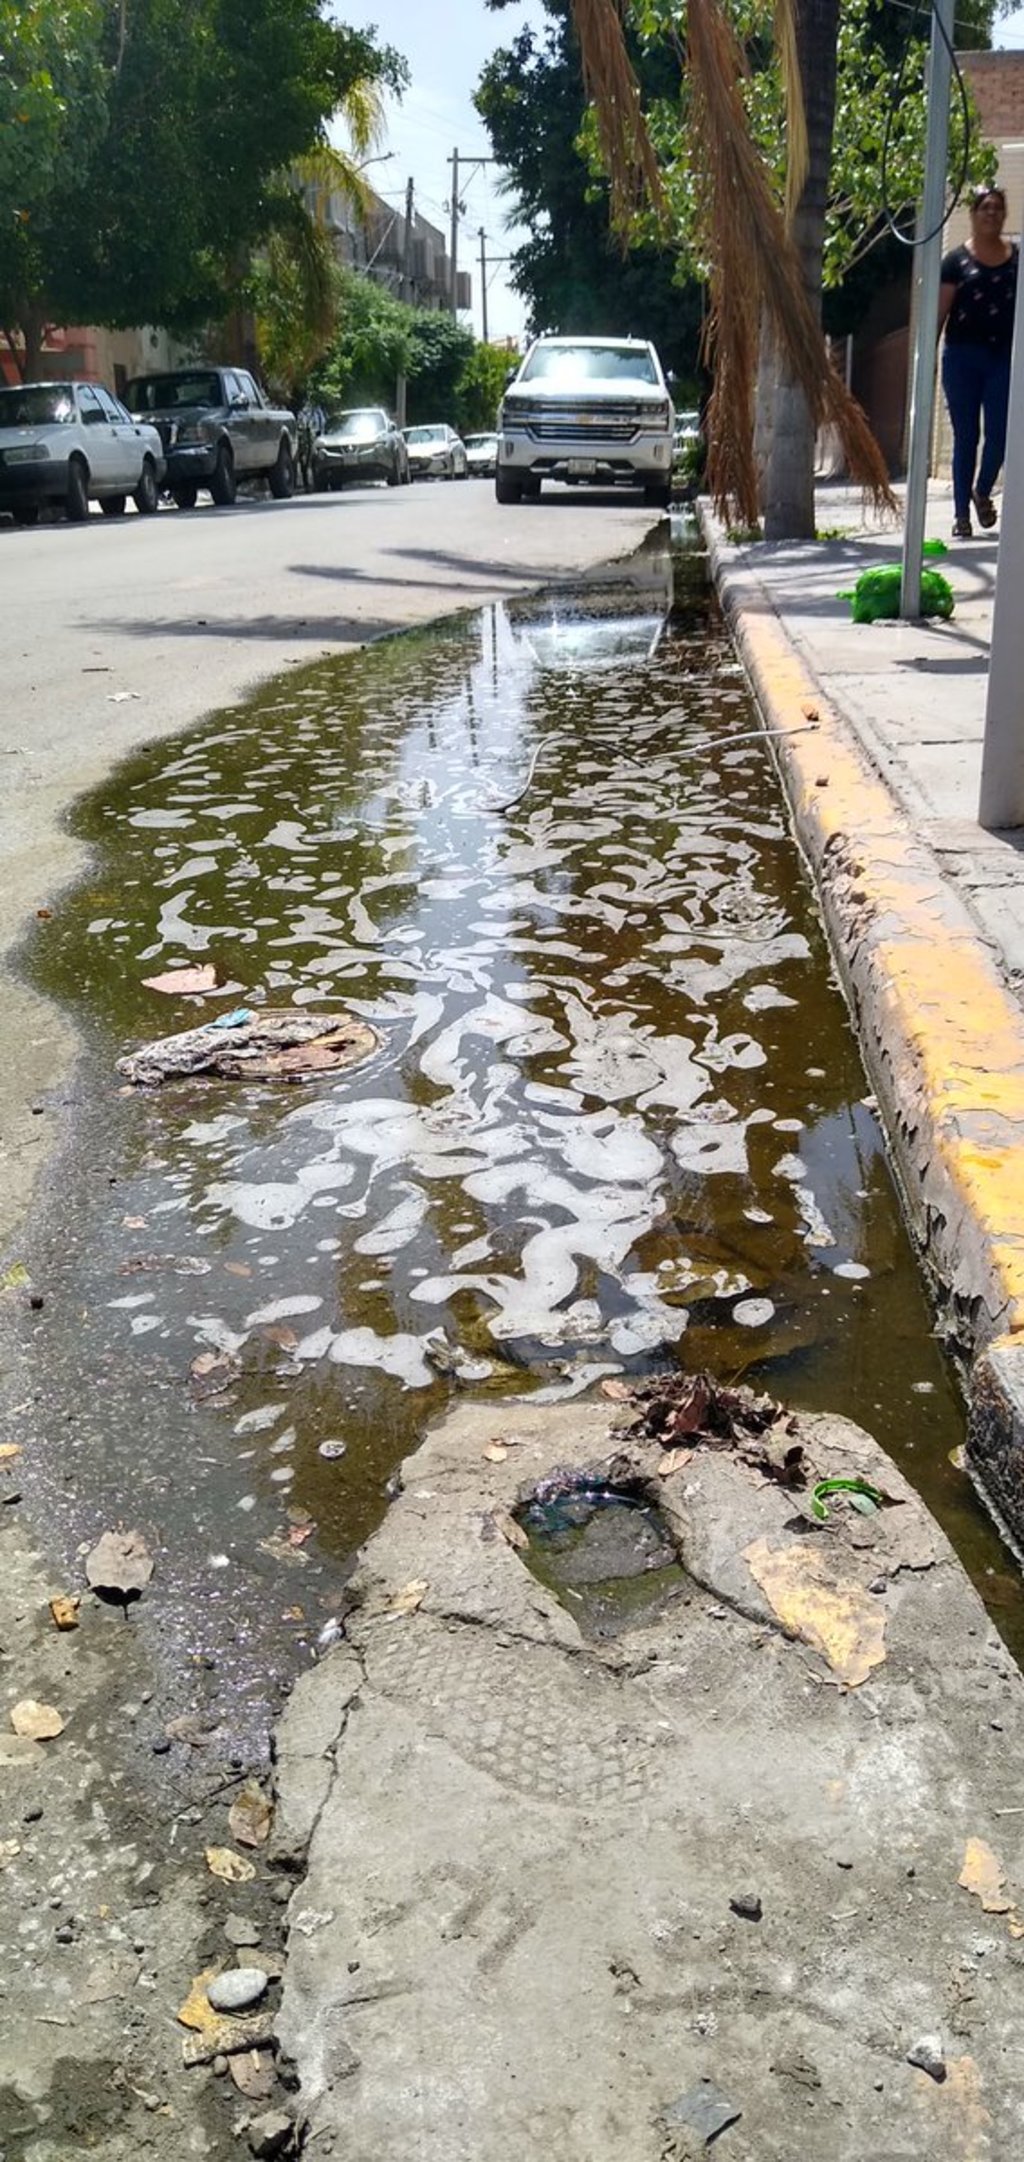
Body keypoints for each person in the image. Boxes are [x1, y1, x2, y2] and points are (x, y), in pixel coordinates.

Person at [938, 184, 1018, 540]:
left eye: (997, 208)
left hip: (1003, 357)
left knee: (1000, 434)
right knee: (966, 436)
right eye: (984, 207)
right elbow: (941, 312)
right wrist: (929, 364)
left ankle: (982, 490)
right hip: (962, 356)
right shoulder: (956, 261)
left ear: (1004, 214)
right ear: (972, 214)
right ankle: (961, 516)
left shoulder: (1016, 258)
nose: (991, 213)